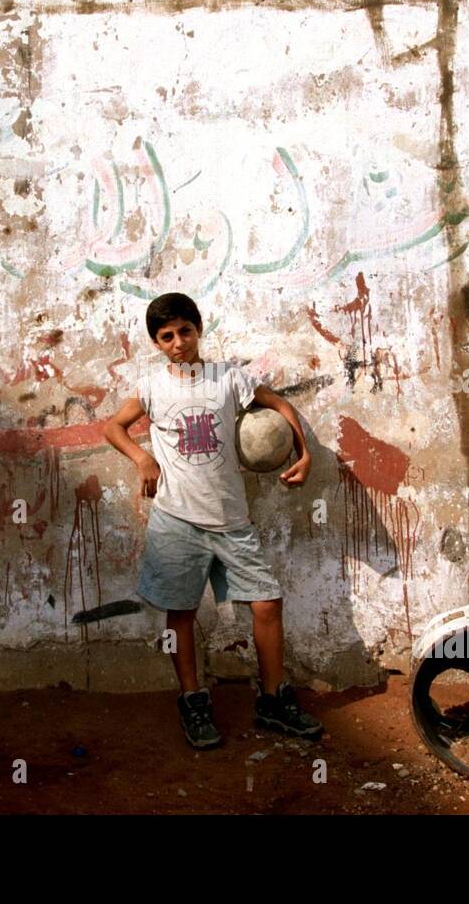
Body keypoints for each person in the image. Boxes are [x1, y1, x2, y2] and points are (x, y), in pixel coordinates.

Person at [103, 292, 324, 749]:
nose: (178, 343)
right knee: (181, 611)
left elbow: (280, 406)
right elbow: (112, 427)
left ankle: (273, 699)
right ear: (156, 343)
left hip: (231, 519)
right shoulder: (151, 386)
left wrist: (305, 454)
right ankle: (193, 700)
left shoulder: (228, 378)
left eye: (185, 331)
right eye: (167, 336)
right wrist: (142, 458)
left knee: (266, 603)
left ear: (199, 329)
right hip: (176, 520)